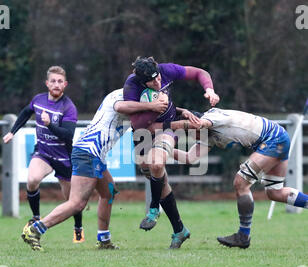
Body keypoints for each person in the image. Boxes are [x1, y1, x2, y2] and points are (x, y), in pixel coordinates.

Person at [21, 88, 168, 251]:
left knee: (108, 192)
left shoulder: (129, 97)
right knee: (77, 203)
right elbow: (148, 123)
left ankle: (104, 239)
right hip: (88, 152)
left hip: (93, 153)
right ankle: (35, 230)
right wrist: (177, 118)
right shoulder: (125, 100)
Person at [168, 107, 308, 249]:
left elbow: (197, 124)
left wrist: (162, 126)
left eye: (191, 134)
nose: (193, 138)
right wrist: (163, 148)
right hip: (277, 137)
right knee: (275, 192)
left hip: (273, 139)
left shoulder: (213, 117)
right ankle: (243, 236)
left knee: (240, 182)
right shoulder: (207, 135)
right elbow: (189, 157)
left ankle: (243, 236)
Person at [123, 56, 220, 249]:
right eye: (152, 81)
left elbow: (199, 73)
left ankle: (153, 209)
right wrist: (153, 107)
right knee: (159, 178)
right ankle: (180, 230)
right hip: (142, 134)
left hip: (166, 129)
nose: (158, 81)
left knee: (157, 164)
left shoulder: (166, 70)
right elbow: (138, 124)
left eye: (158, 77)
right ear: (141, 81)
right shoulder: (132, 86)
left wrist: (209, 89)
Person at [3, 66, 85, 243]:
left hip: (64, 158)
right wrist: (13, 131)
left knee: (73, 201)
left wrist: (49, 125)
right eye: (53, 81)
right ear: (47, 83)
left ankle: (78, 228)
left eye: (60, 81)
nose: (56, 84)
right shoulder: (38, 100)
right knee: (32, 180)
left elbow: (68, 135)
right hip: (44, 153)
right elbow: (26, 113)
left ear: (65, 84)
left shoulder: (68, 107)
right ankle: (36, 217)